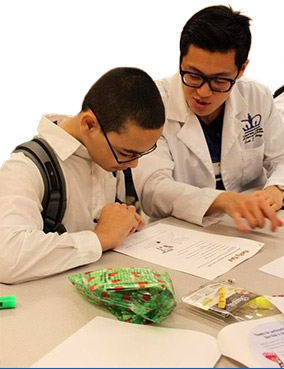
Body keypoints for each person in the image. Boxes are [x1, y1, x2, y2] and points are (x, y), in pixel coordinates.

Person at [133, 5, 284, 233]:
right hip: (180, 231)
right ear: (180, 61)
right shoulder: (155, 102)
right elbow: (152, 189)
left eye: (220, 80)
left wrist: (276, 189)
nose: (203, 92)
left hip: (251, 228)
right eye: (193, 75)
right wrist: (221, 200)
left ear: (241, 69)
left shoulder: (256, 96)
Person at [0, 67, 165, 284]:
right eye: (126, 153)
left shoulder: (103, 156)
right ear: (89, 124)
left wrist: (126, 224)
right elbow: (8, 259)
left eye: (141, 154)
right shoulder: (26, 167)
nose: (133, 164)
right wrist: (100, 238)